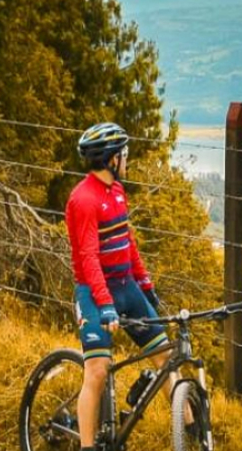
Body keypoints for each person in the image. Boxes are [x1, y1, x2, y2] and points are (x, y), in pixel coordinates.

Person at [66, 122, 170, 451]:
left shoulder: (118, 191)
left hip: (127, 287)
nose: (128, 159)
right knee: (97, 370)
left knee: (165, 356)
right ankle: (86, 446)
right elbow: (88, 258)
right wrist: (106, 303)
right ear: (112, 159)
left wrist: (146, 283)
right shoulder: (83, 200)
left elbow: (128, 242)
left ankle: (191, 435)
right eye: (124, 154)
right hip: (95, 293)